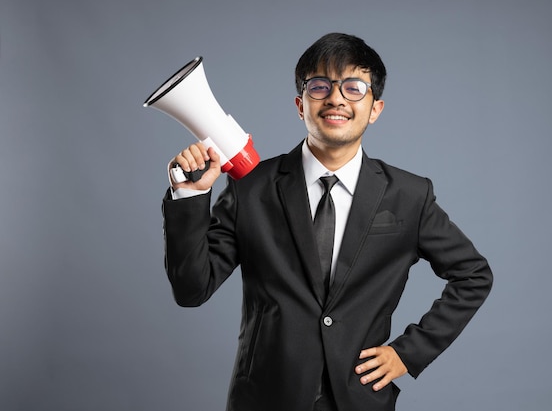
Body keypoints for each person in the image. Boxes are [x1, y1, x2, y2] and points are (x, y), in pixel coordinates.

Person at [161, 32, 493, 411]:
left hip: (360, 398)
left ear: (375, 108)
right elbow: (191, 291)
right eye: (320, 86)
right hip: (266, 397)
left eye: (354, 88)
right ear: (300, 104)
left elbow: (474, 275)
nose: (336, 98)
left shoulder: (409, 194)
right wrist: (190, 195)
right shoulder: (249, 188)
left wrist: (407, 353)